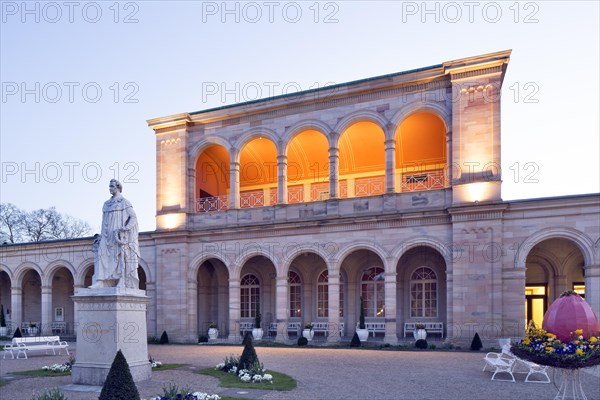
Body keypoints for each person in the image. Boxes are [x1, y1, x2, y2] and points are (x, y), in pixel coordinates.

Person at [90, 179, 140, 289]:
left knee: (119, 257)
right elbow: (103, 221)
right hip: (106, 235)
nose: (110, 188)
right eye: (109, 186)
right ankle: (101, 281)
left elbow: (133, 218)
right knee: (101, 254)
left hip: (118, 235)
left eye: (112, 186)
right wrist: (101, 235)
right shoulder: (106, 204)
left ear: (118, 187)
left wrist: (126, 228)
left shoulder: (124, 202)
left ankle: (121, 280)